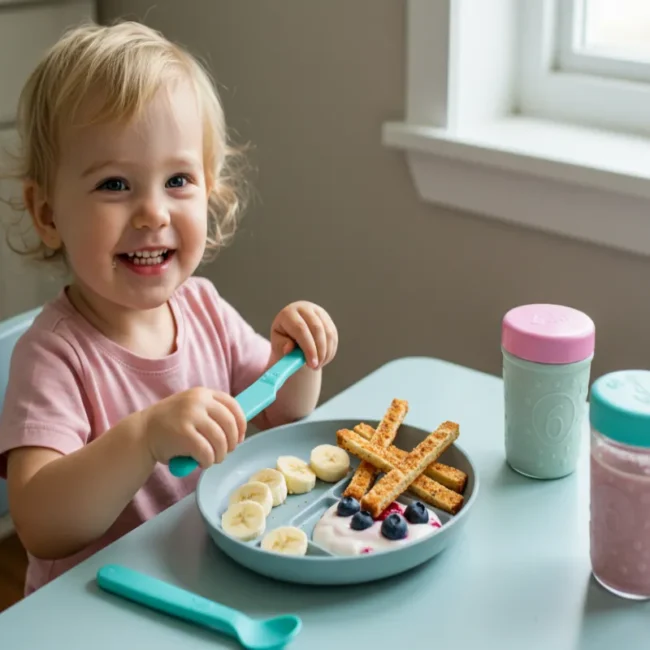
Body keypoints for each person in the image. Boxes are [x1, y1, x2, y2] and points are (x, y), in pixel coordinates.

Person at [0, 20, 338, 596]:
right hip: (98, 611)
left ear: (210, 189)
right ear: (48, 212)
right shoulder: (55, 354)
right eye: (114, 184)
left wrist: (296, 359)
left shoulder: (203, 307)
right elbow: (39, 524)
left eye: (177, 179)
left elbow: (281, 413)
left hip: (197, 581)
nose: (153, 212)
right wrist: (144, 438)